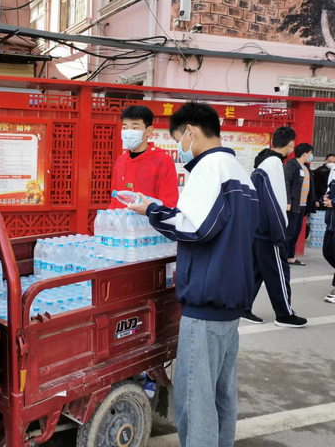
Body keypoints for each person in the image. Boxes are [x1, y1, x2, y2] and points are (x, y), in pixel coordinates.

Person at [130, 101, 258, 447]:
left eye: (178, 140)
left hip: (206, 304)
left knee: (195, 400)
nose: (179, 149)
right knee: (220, 395)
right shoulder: (238, 170)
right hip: (230, 303)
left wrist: (151, 210)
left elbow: (195, 226)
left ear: (190, 131)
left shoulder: (210, 166)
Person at [244, 127, 307, 327]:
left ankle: (243, 307)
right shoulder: (274, 165)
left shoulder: (263, 163)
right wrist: (280, 232)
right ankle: (284, 314)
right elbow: (276, 202)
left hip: (258, 228)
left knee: (257, 271)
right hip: (269, 231)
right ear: (291, 144)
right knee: (279, 272)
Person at [110, 105, 179, 208]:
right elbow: (114, 200)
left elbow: (169, 204)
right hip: (121, 222)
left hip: (148, 223)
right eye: (125, 127)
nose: (128, 132)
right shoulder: (121, 161)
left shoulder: (163, 161)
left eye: (135, 128)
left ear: (148, 131)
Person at [284, 143, 315, 265]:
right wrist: (288, 201)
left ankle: (290, 257)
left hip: (302, 206)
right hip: (293, 205)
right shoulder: (291, 165)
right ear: (305, 154)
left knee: (296, 231)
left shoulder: (306, 167)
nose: (311, 155)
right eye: (310, 153)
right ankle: (283, 257)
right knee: (289, 232)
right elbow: (285, 183)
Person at [323, 167, 335, 303]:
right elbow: (329, 191)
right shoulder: (333, 170)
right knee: (328, 253)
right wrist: (325, 198)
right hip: (331, 222)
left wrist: (333, 202)